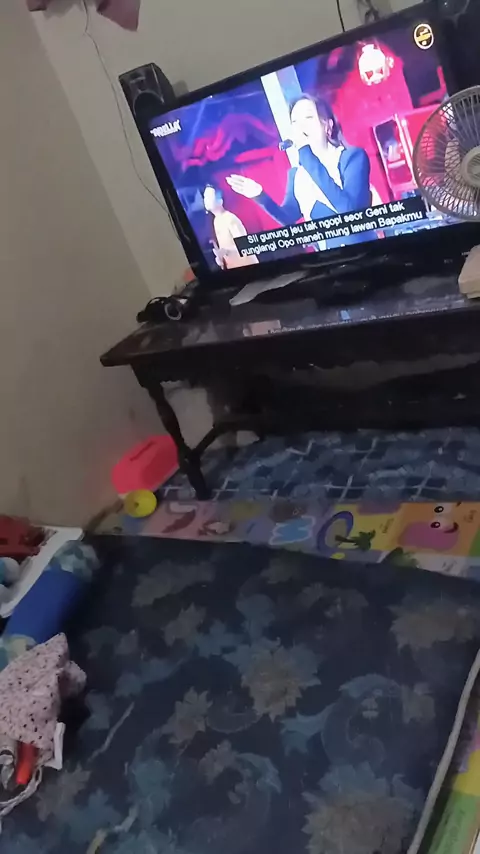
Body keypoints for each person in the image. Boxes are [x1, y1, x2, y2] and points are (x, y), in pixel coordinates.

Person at [226, 94, 372, 229]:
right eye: (295, 121)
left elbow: (351, 212)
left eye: (308, 117)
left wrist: (305, 151)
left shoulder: (352, 157)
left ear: (328, 125)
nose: (301, 126)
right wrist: (260, 196)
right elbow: (289, 217)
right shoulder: (297, 174)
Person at [203, 184, 258, 268]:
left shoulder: (230, 219)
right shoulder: (216, 220)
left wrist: (226, 251)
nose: (206, 200)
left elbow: (245, 247)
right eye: (205, 197)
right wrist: (221, 259)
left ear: (220, 201)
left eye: (210, 196)